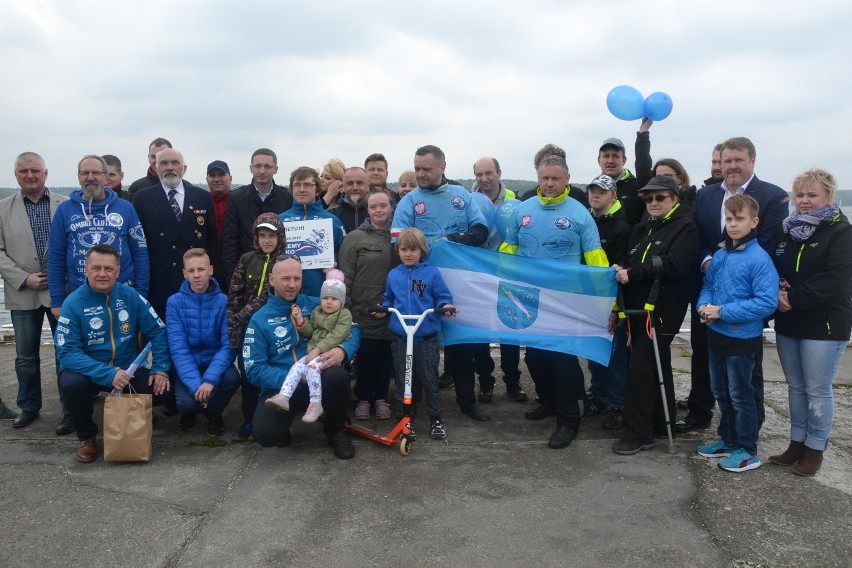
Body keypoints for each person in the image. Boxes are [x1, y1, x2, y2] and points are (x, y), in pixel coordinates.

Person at [499, 155, 609, 449]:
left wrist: (604, 299)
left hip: (565, 301)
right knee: (535, 356)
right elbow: (508, 249)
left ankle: (569, 419)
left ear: (567, 179)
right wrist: (497, 278)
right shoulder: (522, 210)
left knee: (562, 360)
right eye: (544, 178)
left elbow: (595, 260)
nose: (549, 183)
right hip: (529, 299)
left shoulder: (580, 214)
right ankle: (548, 401)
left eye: (555, 178)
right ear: (538, 177)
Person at [680, 137, 789, 433]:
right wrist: (708, 262)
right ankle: (700, 413)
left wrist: (729, 263)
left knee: (745, 372)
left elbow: (768, 242)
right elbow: (698, 237)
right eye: (726, 160)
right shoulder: (706, 196)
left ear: (752, 161)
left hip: (747, 294)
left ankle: (749, 428)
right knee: (705, 355)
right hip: (709, 286)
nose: (732, 166)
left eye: (738, 160)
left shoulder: (773, 196)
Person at [391, 145, 490, 421]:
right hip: (421, 287)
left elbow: (480, 231)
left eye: (426, 168)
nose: (420, 174)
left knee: (461, 345)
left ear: (442, 167)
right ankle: (419, 406)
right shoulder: (409, 202)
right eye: (417, 168)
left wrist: (450, 241)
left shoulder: (461, 195)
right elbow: (396, 243)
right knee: (422, 344)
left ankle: (467, 402)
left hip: (460, 284)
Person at [769, 168, 852, 476]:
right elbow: (773, 265)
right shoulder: (786, 230)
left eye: (812, 195)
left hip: (824, 323)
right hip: (789, 321)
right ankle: (796, 442)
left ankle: (815, 448)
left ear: (829, 197)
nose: (804, 201)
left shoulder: (841, 231)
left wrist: (795, 298)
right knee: (796, 386)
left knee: (817, 388)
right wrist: (775, 292)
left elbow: (836, 277)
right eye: (800, 195)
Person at [56, 245, 172, 463]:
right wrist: (109, 374)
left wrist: (160, 369)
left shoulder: (130, 296)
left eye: (109, 269)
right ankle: (87, 436)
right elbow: (67, 352)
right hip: (89, 371)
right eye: (96, 268)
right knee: (71, 386)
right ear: (86, 269)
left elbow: (158, 331)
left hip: (127, 369)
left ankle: (138, 412)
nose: (102, 273)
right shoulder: (72, 303)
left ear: (118, 271)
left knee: (165, 390)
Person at [611, 176, 698, 455]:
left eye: (660, 197)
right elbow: (631, 260)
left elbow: (676, 263)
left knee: (640, 369)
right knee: (656, 365)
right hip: (636, 310)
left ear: (674, 198)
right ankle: (663, 422)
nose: (653, 203)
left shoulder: (685, 226)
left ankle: (638, 434)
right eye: (648, 199)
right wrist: (620, 267)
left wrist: (633, 272)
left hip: (661, 312)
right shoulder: (641, 229)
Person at [244, 255, 361, 460]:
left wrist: (343, 350)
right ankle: (286, 424)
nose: (292, 285)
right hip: (283, 387)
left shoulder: (317, 305)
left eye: (297, 278)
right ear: (271, 279)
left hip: (319, 377)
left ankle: (335, 429)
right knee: (265, 434)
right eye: (286, 279)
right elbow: (254, 369)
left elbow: (353, 329)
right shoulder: (259, 319)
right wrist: (294, 378)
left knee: (338, 376)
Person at [695, 194, 778, 472]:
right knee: (720, 390)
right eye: (729, 219)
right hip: (716, 334)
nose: (733, 224)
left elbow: (766, 303)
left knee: (741, 394)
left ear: (754, 221)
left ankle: (747, 449)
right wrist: (703, 306)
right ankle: (728, 440)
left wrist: (723, 311)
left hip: (742, 339)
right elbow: (708, 285)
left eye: (739, 219)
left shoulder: (759, 258)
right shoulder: (720, 254)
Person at [0, 152, 69, 432]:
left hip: (61, 293)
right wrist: (23, 278)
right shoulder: (3, 208)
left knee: (66, 354)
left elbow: (75, 248)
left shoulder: (65, 205)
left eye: (35, 171)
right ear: (16, 174)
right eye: (23, 171)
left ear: (46, 173)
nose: (30, 175)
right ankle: (29, 407)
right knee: (25, 355)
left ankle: (70, 408)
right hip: (23, 292)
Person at [48, 155, 149, 317]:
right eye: (84, 173)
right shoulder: (64, 210)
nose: (90, 178)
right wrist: (57, 301)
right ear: (79, 177)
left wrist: (141, 295)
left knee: (124, 342)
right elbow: (55, 257)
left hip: (123, 296)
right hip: (79, 296)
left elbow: (140, 254)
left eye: (96, 173)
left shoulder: (126, 209)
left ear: (105, 177)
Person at [379, 228, 456, 440]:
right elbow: (389, 298)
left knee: (430, 379)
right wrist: (384, 308)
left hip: (425, 338)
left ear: (422, 250)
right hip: (401, 337)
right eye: (404, 249)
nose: (408, 254)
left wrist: (445, 305)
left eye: (413, 249)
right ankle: (405, 418)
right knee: (404, 379)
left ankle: (436, 418)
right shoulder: (394, 274)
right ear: (398, 251)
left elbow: (442, 296)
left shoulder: (431, 273)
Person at [133, 148, 217, 321]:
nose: (169, 167)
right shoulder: (142, 198)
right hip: (159, 281)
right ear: (156, 168)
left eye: (175, 163)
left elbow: (212, 240)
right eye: (164, 163)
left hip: (195, 281)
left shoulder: (202, 197)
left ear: (184, 168)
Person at [469, 156, 526, 404]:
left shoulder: (516, 201)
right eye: (479, 174)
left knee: (509, 331)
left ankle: (513, 381)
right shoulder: (466, 202)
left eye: (488, 173)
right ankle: (485, 381)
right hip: (477, 276)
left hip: (507, 275)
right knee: (480, 333)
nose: (484, 179)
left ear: (499, 173)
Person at [166, 248, 240, 436]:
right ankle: (190, 410)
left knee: (233, 378)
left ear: (211, 270)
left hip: (213, 360)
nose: (197, 275)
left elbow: (228, 345)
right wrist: (195, 385)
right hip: (188, 363)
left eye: (201, 269)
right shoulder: (174, 303)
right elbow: (178, 349)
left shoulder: (224, 301)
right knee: (186, 402)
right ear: (184, 274)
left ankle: (213, 411)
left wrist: (209, 380)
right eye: (191, 271)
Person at [227, 213, 287, 442]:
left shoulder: (285, 261)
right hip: (246, 330)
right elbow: (235, 293)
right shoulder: (246, 259)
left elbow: (268, 296)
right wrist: (235, 321)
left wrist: (244, 314)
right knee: (248, 377)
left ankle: (271, 418)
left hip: (273, 329)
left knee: (270, 374)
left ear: (279, 236)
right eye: (262, 235)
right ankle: (249, 420)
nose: (266, 240)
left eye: (271, 235)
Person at [266, 270, 352, 423]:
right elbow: (310, 331)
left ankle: (315, 403)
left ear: (342, 301)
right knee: (296, 367)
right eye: (325, 298)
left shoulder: (344, 315)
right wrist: (300, 319)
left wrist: (318, 350)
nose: (329, 302)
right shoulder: (317, 311)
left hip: (328, 354)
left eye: (334, 298)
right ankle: (284, 396)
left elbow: (337, 335)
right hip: (313, 353)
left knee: (312, 369)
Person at [338, 190, 395, 420]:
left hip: (391, 312)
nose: (378, 210)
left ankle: (381, 398)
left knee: (386, 359)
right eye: (373, 207)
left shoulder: (400, 236)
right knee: (366, 359)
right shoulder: (354, 238)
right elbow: (345, 277)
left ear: (392, 207)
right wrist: (349, 309)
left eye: (383, 205)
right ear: (367, 209)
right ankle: (363, 398)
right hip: (363, 312)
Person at [585, 174, 631, 429]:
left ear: (613, 195)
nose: (596, 195)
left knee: (615, 357)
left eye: (602, 191)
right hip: (589, 301)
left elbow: (620, 268)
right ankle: (598, 395)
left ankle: (617, 404)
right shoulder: (586, 220)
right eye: (592, 190)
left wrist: (615, 308)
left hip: (612, 303)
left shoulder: (622, 227)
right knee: (594, 353)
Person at [221, 148, 293, 288]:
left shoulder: (287, 199)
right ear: (251, 169)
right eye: (257, 166)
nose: (262, 171)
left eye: (267, 166)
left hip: (279, 275)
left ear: (275, 169)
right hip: (247, 273)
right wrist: (233, 278)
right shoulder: (236, 199)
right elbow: (230, 242)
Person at [280, 166, 346, 297]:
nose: (302, 189)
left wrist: (334, 259)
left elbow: (344, 252)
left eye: (307, 185)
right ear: (291, 189)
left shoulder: (332, 221)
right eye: (297, 185)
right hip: (287, 294)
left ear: (317, 190)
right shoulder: (280, 220)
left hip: (320, 294)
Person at [634, 119, 697, 212]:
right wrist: (643, 131)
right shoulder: (651, 200)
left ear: (680, 178)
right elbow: (642, 164)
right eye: (658, 177)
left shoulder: (691, 201)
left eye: (668, 176)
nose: (662, 181)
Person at [519, 144, 588, 206]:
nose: (550, 184)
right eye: (545, 177)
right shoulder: (527, 199)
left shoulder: (577, 195)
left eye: (555, 178)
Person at [597, 137, 642, 225]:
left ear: (624, 160)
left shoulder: (637, 187)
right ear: (599, 160)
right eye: (606, 156)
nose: (610, 161)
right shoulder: (591, 190)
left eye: (615, 156)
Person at [206, 160, 232, 287]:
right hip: (207, 265)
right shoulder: (201, 201)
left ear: (230, 178)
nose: (216, 179)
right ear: (207, 179)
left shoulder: (239, 201)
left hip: (234, 263)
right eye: (212, 175)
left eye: (221, 174)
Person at [127, 137, 171, 201]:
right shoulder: (136, 188)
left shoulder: (186, 188)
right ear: (148, 157)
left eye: (161, 156)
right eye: (154, 157)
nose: (157, 161)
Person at [328, 167, 369, 234]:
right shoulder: (331, 214)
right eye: (350, 183)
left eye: (359, 183)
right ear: (343, 185)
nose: (355, 187)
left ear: (368, 185)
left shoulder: (377, 212)